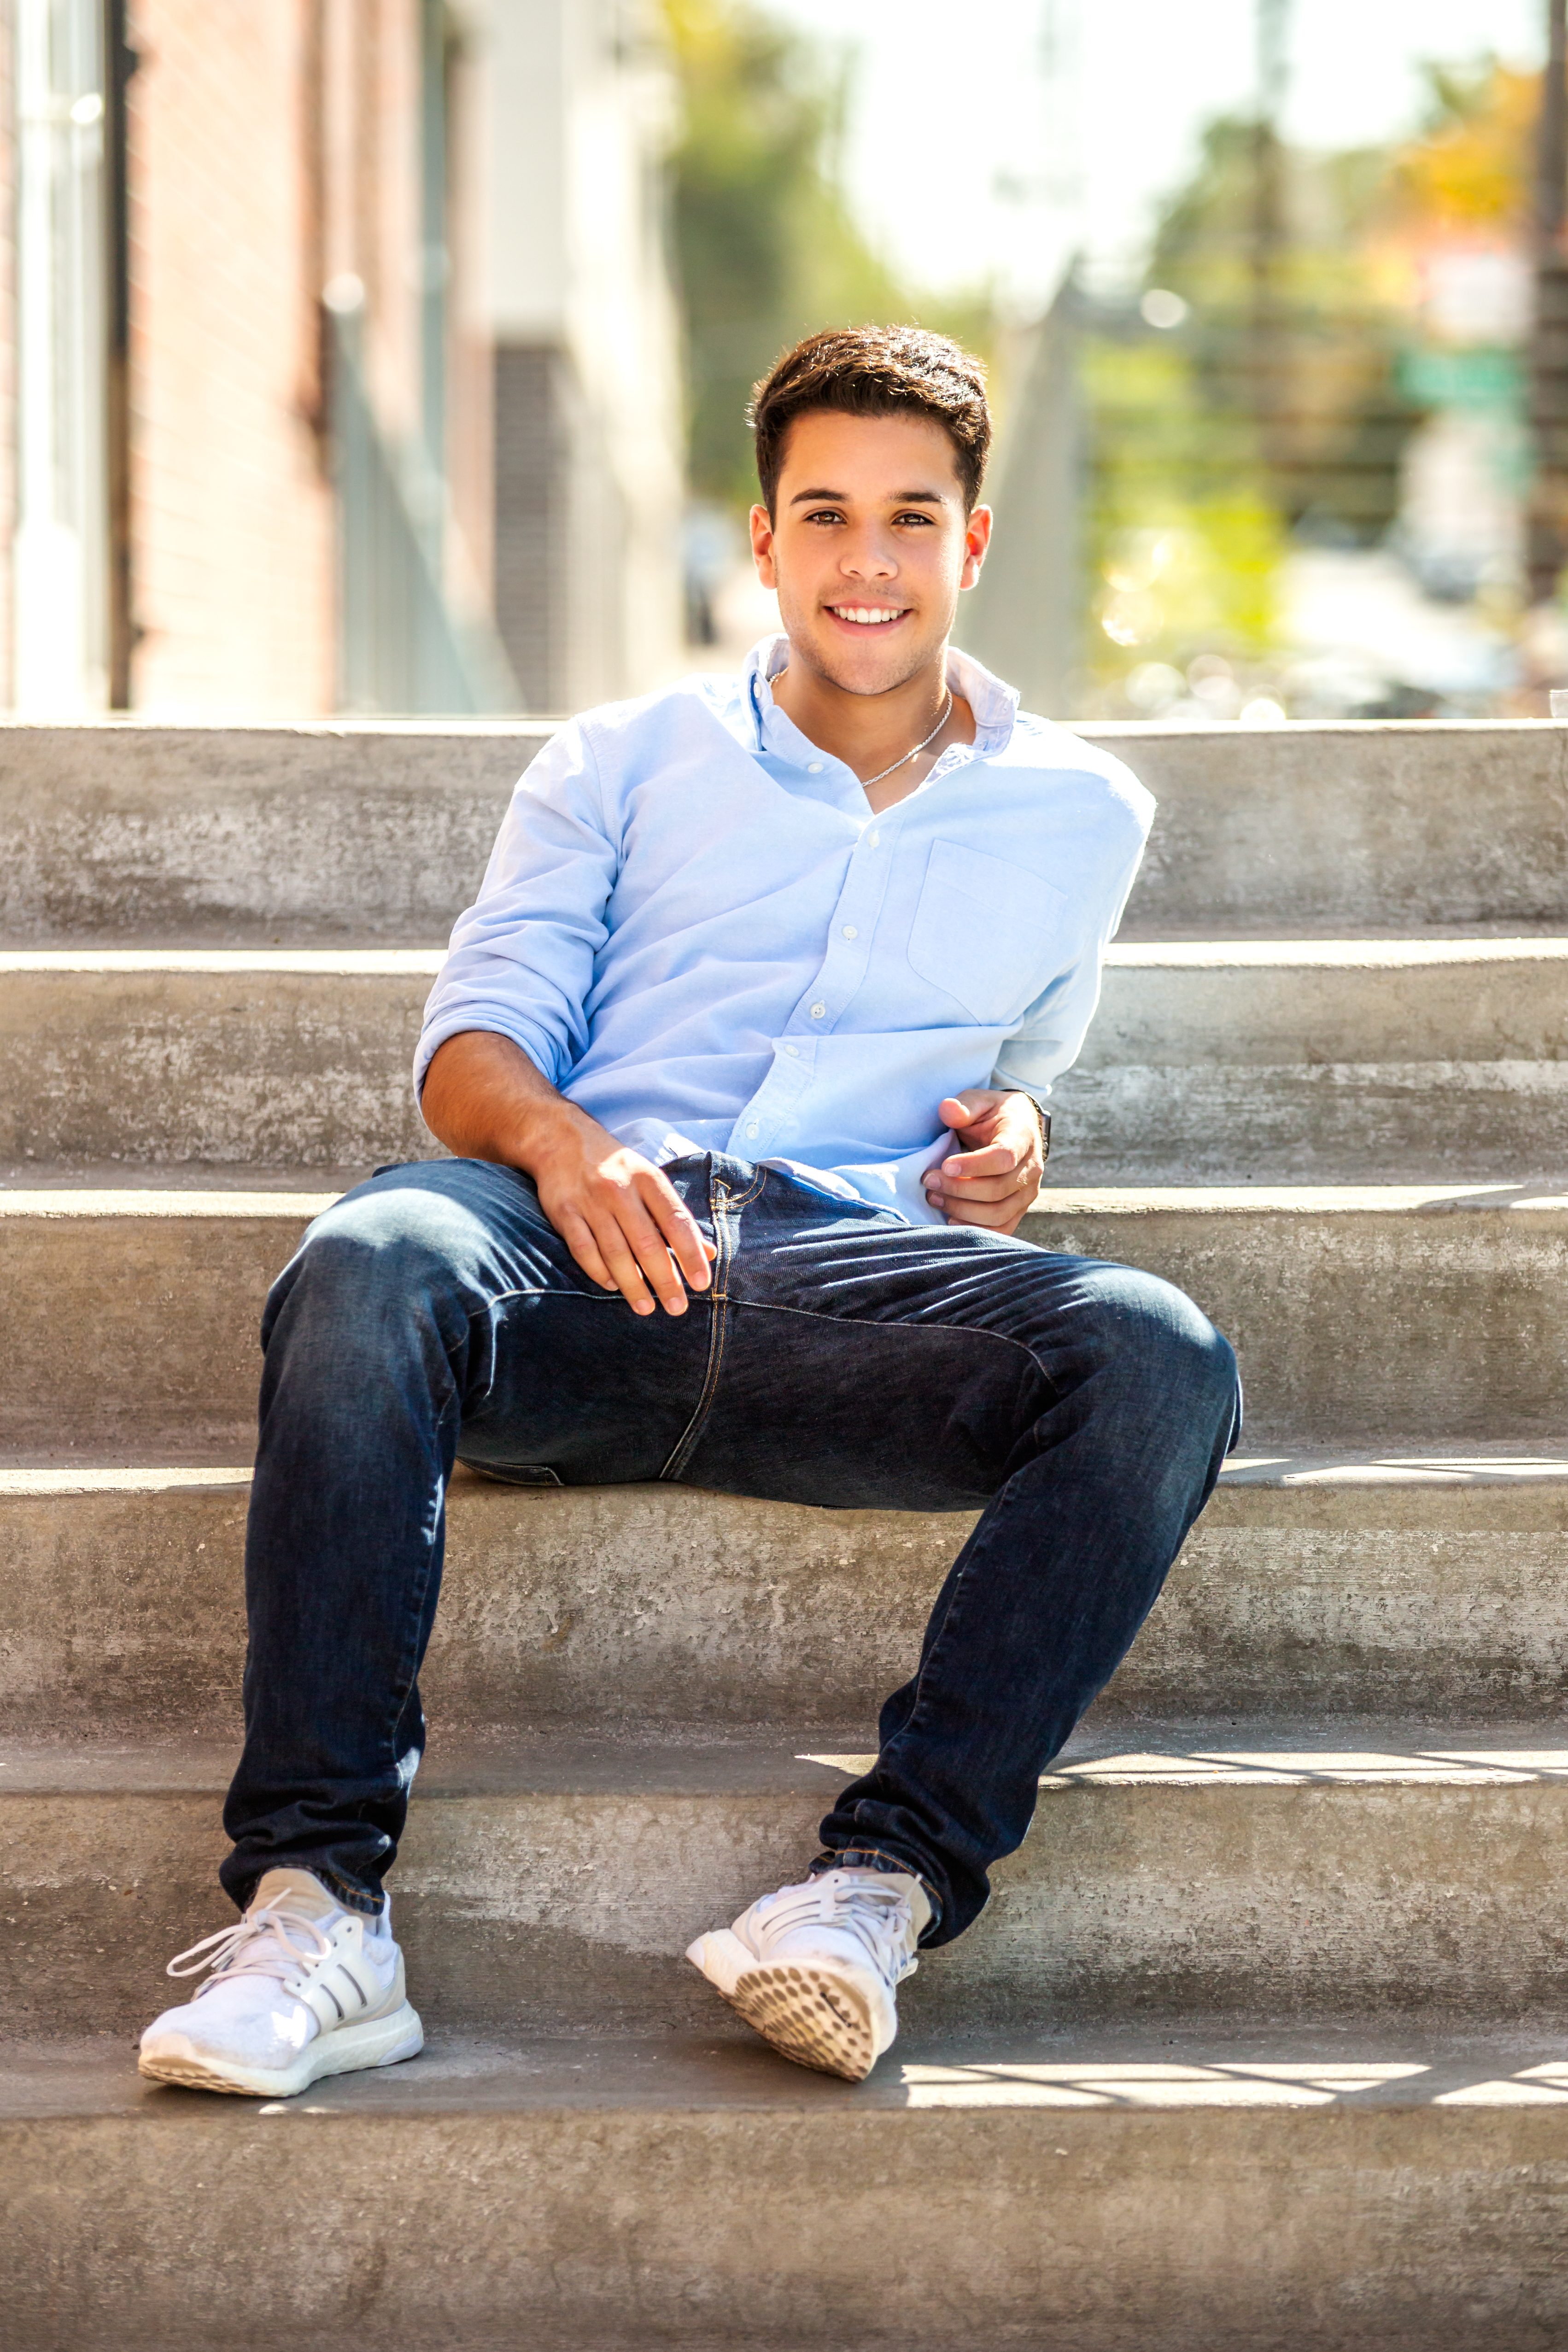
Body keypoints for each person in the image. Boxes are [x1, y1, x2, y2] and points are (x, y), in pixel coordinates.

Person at [139, 326, 1240, 2098]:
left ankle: (877, 1883)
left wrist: (1014, 1134)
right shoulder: (620, 758)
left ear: (968, 542)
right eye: (824, 515)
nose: (864, 562)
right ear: (764, 541)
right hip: (571, 1264)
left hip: (839, 1299)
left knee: (1160, 1353)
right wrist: (566, 1150)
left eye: (907, 517)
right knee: (369, 1258)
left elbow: (1027, 1059)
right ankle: (318, 1908)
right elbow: (473, 1047)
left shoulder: (1079, 814)